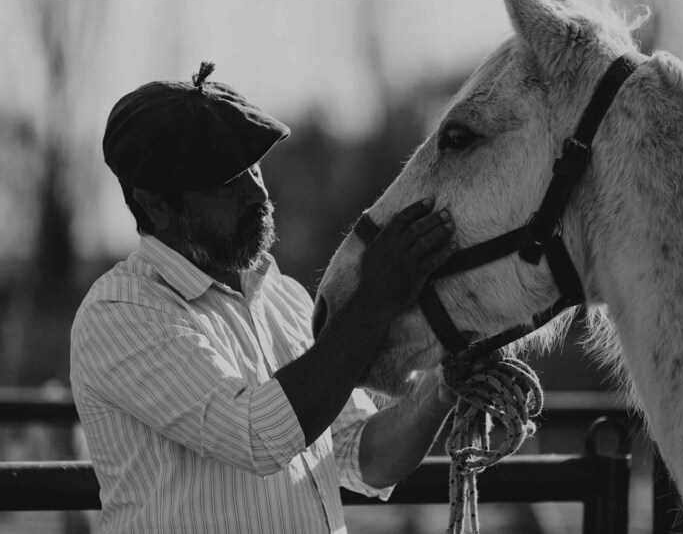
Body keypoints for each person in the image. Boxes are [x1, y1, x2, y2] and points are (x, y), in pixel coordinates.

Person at [70, 61, 458, 534]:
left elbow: (366, 458)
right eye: (225, 180)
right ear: (154, 203)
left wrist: (443, 387)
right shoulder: (119, 313)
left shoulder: (285, 298)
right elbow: (256, 436)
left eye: (254, 168)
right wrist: (373, 300)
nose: (256, 194)